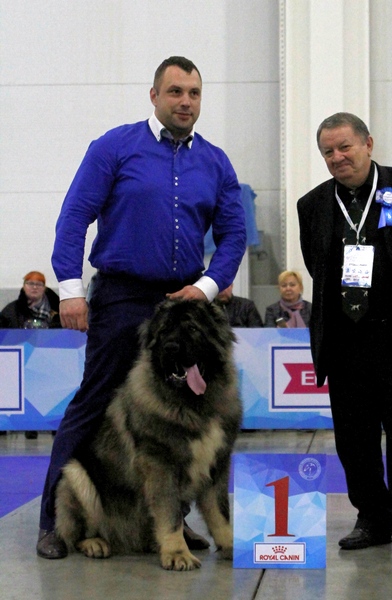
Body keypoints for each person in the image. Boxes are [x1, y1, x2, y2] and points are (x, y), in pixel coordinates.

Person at [36, 56, 247, 560]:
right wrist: (69, 289)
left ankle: (174, 522)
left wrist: (208, 283)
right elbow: (75, 216)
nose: (185, 102)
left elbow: (234, 232)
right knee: (96, 401)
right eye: (175, 92)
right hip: (122, 296)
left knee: (195, 415)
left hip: (187, 299)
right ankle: (53, 522)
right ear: (154, 95)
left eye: (194, 94)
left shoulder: (215, 161)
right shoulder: (114, 147)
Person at [297, 112, 392, 559]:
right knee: (354, 440)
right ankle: (373, 519)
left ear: (369, 144)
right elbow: (314, 264)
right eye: (328, 152)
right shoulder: (312, 205)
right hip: (344, 343)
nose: (338, 158)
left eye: (345, 147)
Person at [0, 271, 61, 440]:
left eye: (39, 284)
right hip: (19, 365)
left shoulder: (59, 309)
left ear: (45, 288)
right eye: (30, 284)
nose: (34, 288)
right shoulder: (10, 310)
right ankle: (23, 426)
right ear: (23, 286)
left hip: (51, 363)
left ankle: (55, 425)